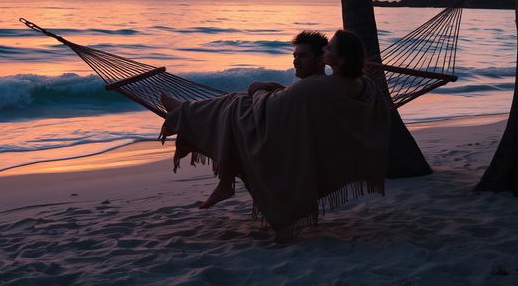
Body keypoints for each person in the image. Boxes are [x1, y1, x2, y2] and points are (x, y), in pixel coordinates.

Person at [160, 29, 390, 235]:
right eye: (295, 56)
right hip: (315, 138)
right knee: (235, 108)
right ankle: (190, 123)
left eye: (328, 48)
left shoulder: (315, 87)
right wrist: (273, 89)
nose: (324, 49)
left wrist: (260, 89)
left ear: (336, 59)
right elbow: (294, 100)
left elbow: (274, 103)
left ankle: (184, 113)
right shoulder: (360, 84)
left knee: (235, 105)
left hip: (292, 146)